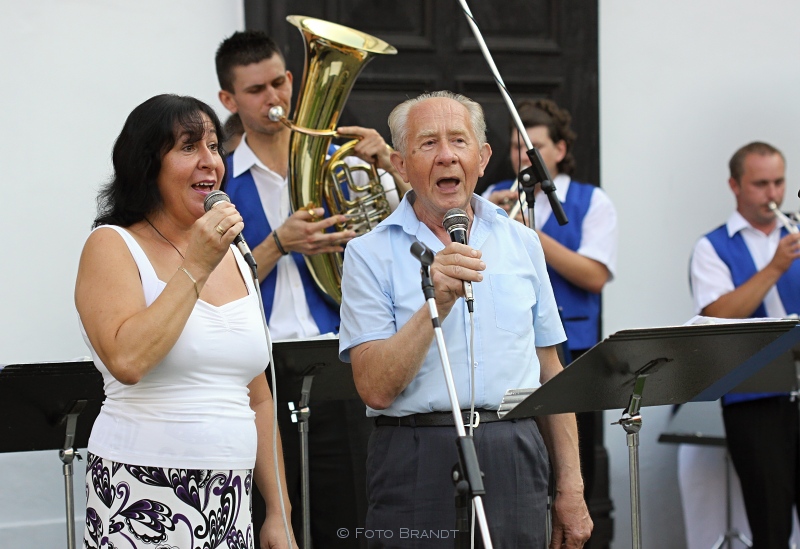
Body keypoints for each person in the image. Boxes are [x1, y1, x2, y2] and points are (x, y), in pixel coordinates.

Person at [338, 91, 593, 548]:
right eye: (428, 143)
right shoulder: (367, 253)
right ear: (400, 164)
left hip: (514, 451)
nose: (446, 156)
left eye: (459, 140)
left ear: (483, 157)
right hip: (415, 456)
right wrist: (435, 304)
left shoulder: (522, 242)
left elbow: (550, 370)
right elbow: (374, 388)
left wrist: (571, 488)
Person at [74, 94, 296, 549]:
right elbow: (128, 361)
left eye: (214, 146)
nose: (209, 161)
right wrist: (196, 264)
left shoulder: (235, 255)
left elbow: (257, 398)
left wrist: (278, 513)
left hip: (229, 496)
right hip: (139, 488)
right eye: (189, 147)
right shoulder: (112, 245)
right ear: (147, 165)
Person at [214, 30, 407, 548]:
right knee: (272, 525)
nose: (274, 98)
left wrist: (391, 166)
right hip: (258, 373)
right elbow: (207, 288)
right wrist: (278, 244)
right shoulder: (217, 182)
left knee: (349, 518)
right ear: (229, 100)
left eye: (279, 82)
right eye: (256, 90)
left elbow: (407, 246)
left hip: (338, 360)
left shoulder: (343, 162)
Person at [689, 141, 800, 547]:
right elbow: (718, 315)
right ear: (734, 185)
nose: (773, 194)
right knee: (771, 524)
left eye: (779, 183)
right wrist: (775, 267)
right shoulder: (712, 247)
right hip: (753, 400)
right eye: (760, 184)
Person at [483, 99, 617, 359]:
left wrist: (531, 235)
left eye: (535, 148)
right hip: (508, 341)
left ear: (560, 150)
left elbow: (595, 277)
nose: (524, 156)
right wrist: (487, 217)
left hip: (574, 343)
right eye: (516, 147)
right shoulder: (492, 196)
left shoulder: (593, 201)